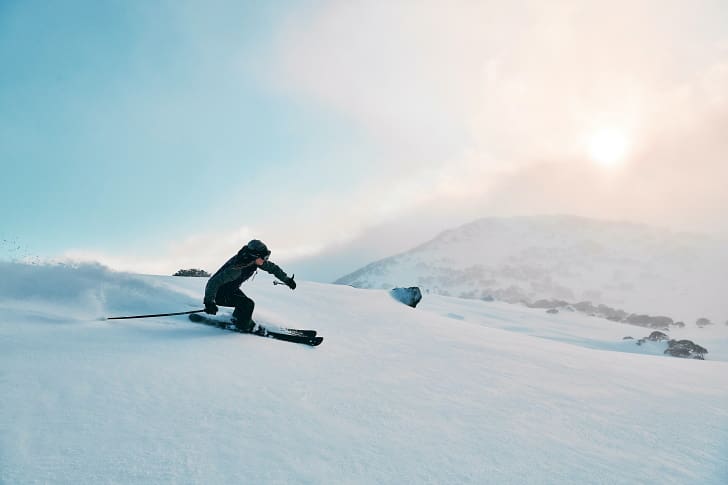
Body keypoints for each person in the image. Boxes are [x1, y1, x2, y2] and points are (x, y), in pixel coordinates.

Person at [203, 239, 296, 332]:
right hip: (219, 293)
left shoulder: (253, 260)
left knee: (245, 305)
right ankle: (243, 326)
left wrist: (287, 280)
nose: (265, 260)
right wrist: (209, 302)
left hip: (231, 289)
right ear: (255, 256)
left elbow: (273, 268)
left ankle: (237, 320)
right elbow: (214, 282)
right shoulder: (237, 268)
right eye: (264, 257)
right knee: (248, 304)